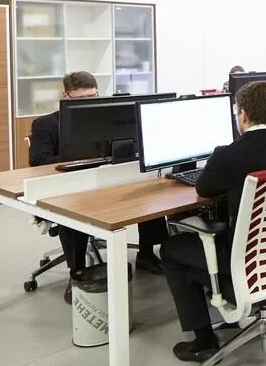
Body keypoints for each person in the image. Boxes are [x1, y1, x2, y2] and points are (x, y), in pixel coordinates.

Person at [161, 81, 266, 362]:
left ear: (242, 115)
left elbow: (204, 189)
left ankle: (204, 342)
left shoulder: (228, 154)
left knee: (172, 249)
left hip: (248, 263)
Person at [29, 72, 167, 303]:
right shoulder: (46, 124)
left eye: (92, 97)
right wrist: (77, 154)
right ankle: (77, 272)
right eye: (80, 99)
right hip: (69, 189)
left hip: (108, 182)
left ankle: (146, 254)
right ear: (65, 96)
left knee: (147, 194)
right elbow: (38, 161)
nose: (87, 103)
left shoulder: (107, 118)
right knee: (73, 211)